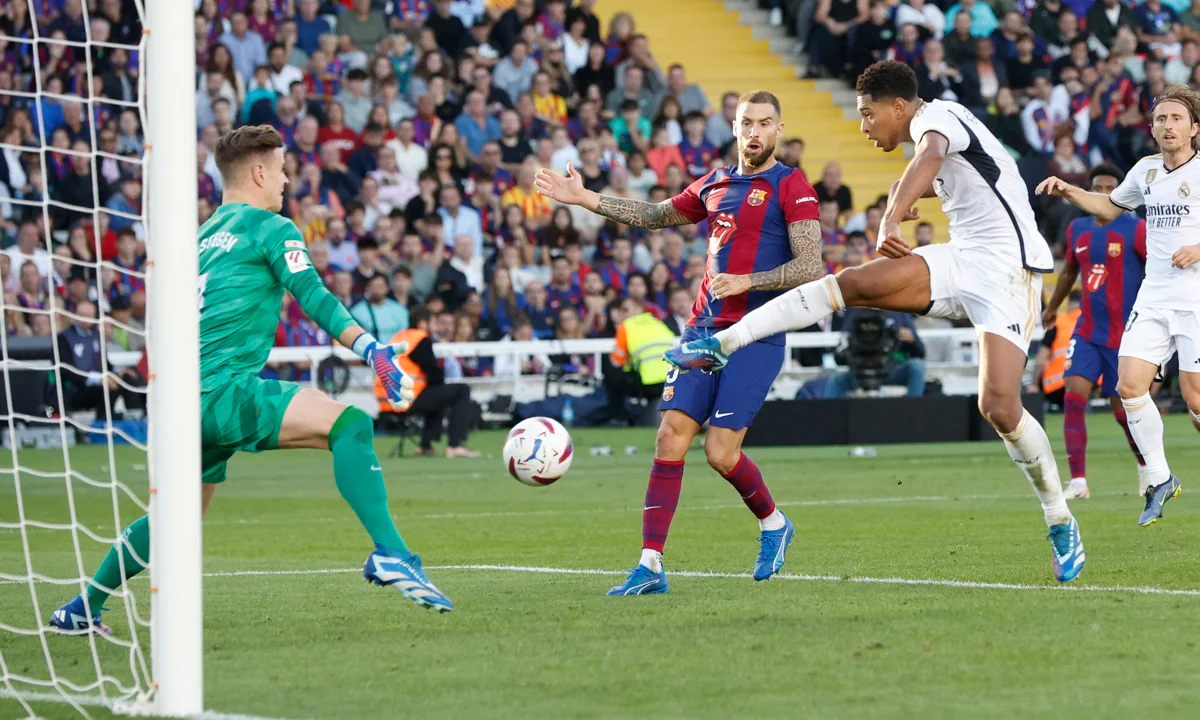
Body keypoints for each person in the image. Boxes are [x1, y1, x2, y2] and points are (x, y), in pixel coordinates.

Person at [666, 62, 1085, 583]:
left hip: (1008, 271)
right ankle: (724, 341)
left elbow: (931, 156)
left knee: (998, 406)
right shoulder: (941, 135)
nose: (864, 127)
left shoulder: (942, 118)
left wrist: (892, 214)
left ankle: (1059, 519)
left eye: (868, 115)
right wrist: (906, 197)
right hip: (962, 258)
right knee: (854, 283)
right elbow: (959, 174)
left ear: (899, 108)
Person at [50, 126, 452, 637]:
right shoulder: (271, 227)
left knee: (175, 520)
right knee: (350, 426)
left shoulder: (199, 239)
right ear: (260, 172)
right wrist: (369, 347)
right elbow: (312, 293)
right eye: (282, 170)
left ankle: (83, 607)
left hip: (178, 401)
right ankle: (393, 554)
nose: (286, 181)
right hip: (225, 393)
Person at [534, 90, 823, 595]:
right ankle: (649, 567)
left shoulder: (791, 185)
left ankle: (774, 525)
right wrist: (586, 199)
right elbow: (653, 215)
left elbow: (810, 265)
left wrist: (749, 282)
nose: (754, 132)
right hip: (702, 330)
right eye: (746, 123)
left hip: (753, 334)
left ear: (779, 130)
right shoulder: (715, 182)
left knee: (720, 453)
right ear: (734, 129)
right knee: (669, 437)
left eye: (765, 123)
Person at [1036, 84, 1200, 526]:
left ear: (1194, 128)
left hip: (1196, 298)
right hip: (1154, 296)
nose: (1167, 125)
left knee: (1196, 402)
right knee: (1129, 387)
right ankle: (1161, 479)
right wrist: (1069, 191)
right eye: (1161, 119)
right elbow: (1107, 208)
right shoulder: (1145, 171)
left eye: (1176, 119)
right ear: (1151, 128)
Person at [1040, 164, 1149, 500]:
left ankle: (1148, 466)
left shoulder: (1137, 229)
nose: (1104, 194)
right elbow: (1069, 269)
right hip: (1087, 330)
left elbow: (1156, 273)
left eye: (1110, 189)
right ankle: (1079, 481)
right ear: (1087, 192)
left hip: (1124, 335)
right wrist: (1053, 306)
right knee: (1073, 398)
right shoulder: (1078, 229)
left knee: (1122, 412)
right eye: (1098, 188)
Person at [375, 306, 478, 458]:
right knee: (462, 390)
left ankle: (425, 445)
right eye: (434, 322)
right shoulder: (420, 338)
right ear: (423, 323)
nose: (435, 327)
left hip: (386, 400)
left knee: (436, 393)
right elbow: (433, 372)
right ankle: (455, 445)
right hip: (405, 400)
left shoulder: (401, 337)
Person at [605, 296, 676, 424]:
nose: (622, 313)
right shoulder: (659, 323)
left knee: (611, 376)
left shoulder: (626, 326)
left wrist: (628, 363)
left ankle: (619, 419)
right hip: (672, 379)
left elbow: (616, 361)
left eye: (625, 309)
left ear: (638, 309)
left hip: (649, 382)